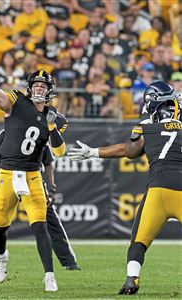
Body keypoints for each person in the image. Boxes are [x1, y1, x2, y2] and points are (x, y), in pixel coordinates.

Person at [68, 98, 182, 295]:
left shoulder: (147, 129)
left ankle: (132, 279)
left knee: (139, 240)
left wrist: (93, 152)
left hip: (158, 190)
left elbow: (128, 150)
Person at [0, 52, 67, 291]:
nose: (39, 89)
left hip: (32, 175)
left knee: (40, 225)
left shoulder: (56, 117)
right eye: (35, 85)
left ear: (49, 89)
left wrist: (51, 125)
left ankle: (49, 275)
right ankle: (2, 256)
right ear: (29, 88)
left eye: (43, 85)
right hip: (7, 172)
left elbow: (59, 153)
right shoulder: (16, 100)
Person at [0, 130, 80, 271]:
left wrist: (51, 188)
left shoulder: (38, 133)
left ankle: (68, 262)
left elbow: (48, 162)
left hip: (32, 181)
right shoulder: (5, 134)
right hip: (9, 181)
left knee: (49, 220)